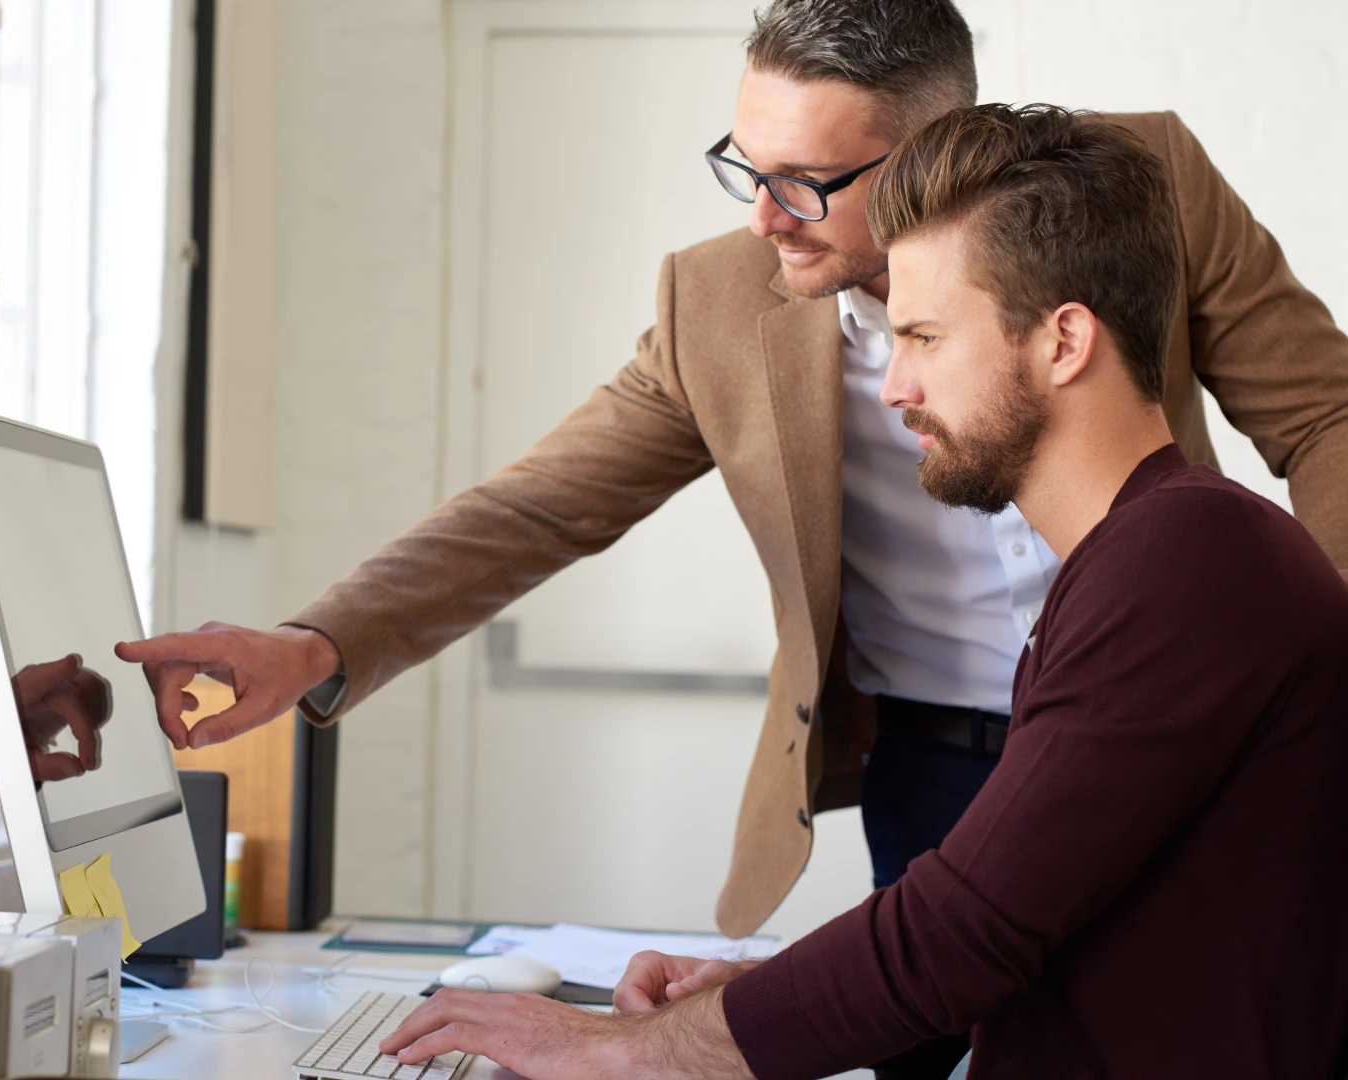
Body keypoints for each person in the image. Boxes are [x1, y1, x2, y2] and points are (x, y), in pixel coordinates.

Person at [116, 2, 1348, 1073]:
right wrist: (312, 641)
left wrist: (1294, 666)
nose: (764, 218)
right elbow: (544, 503)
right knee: (955, 1012)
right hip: (935, 752)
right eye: (740, 165)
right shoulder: (720, 299)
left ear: (935, 161)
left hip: (1170, 690)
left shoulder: (1125, 199)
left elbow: (1325, 412)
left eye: (807, 181)